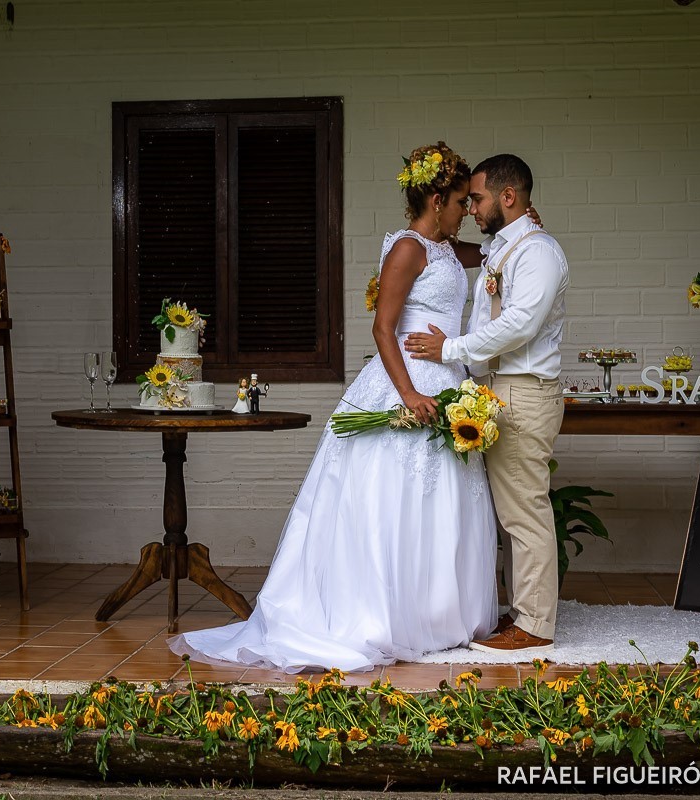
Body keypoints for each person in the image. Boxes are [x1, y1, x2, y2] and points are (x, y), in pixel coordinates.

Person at [168, 142, 499, 673]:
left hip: (447, 381)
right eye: (461, 202)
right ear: (437, 200)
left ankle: (437, 616)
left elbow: (492, 256)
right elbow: (382, 328)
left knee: (442, 501)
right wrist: (410, 395)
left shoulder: (447, 249)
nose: (466, 212)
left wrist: (522, 233)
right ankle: (384, 617)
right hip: (406, 383)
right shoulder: (408, 250)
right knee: (388, 501)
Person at [406, 154, 568, 654]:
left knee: (525, 511)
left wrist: (449, 351)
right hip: (499, 389)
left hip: (524, 389)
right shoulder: (507, 246)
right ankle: (522, 612)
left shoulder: (538, 252)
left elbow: (519, 323)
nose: (472, 207)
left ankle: (536, 624)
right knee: (511, 512)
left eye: (476, 198)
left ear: (508, 197)